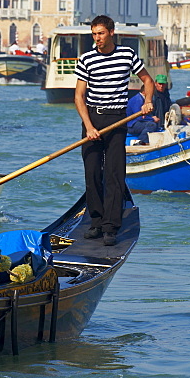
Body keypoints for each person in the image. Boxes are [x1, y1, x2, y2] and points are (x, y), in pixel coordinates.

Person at [75, 15, 154, 247]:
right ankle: (96, 222)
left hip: (118, 119)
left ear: (111, 32)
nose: (96, 38)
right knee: (92, 174)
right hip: (92, 119)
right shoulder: (86, 59)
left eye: (100, 33)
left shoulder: (127, 55)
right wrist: (89, 127)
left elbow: (147, 80)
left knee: (114, 175)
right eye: (93, 34)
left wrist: (147, 101)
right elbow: (79, 96)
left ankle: (111, 227)